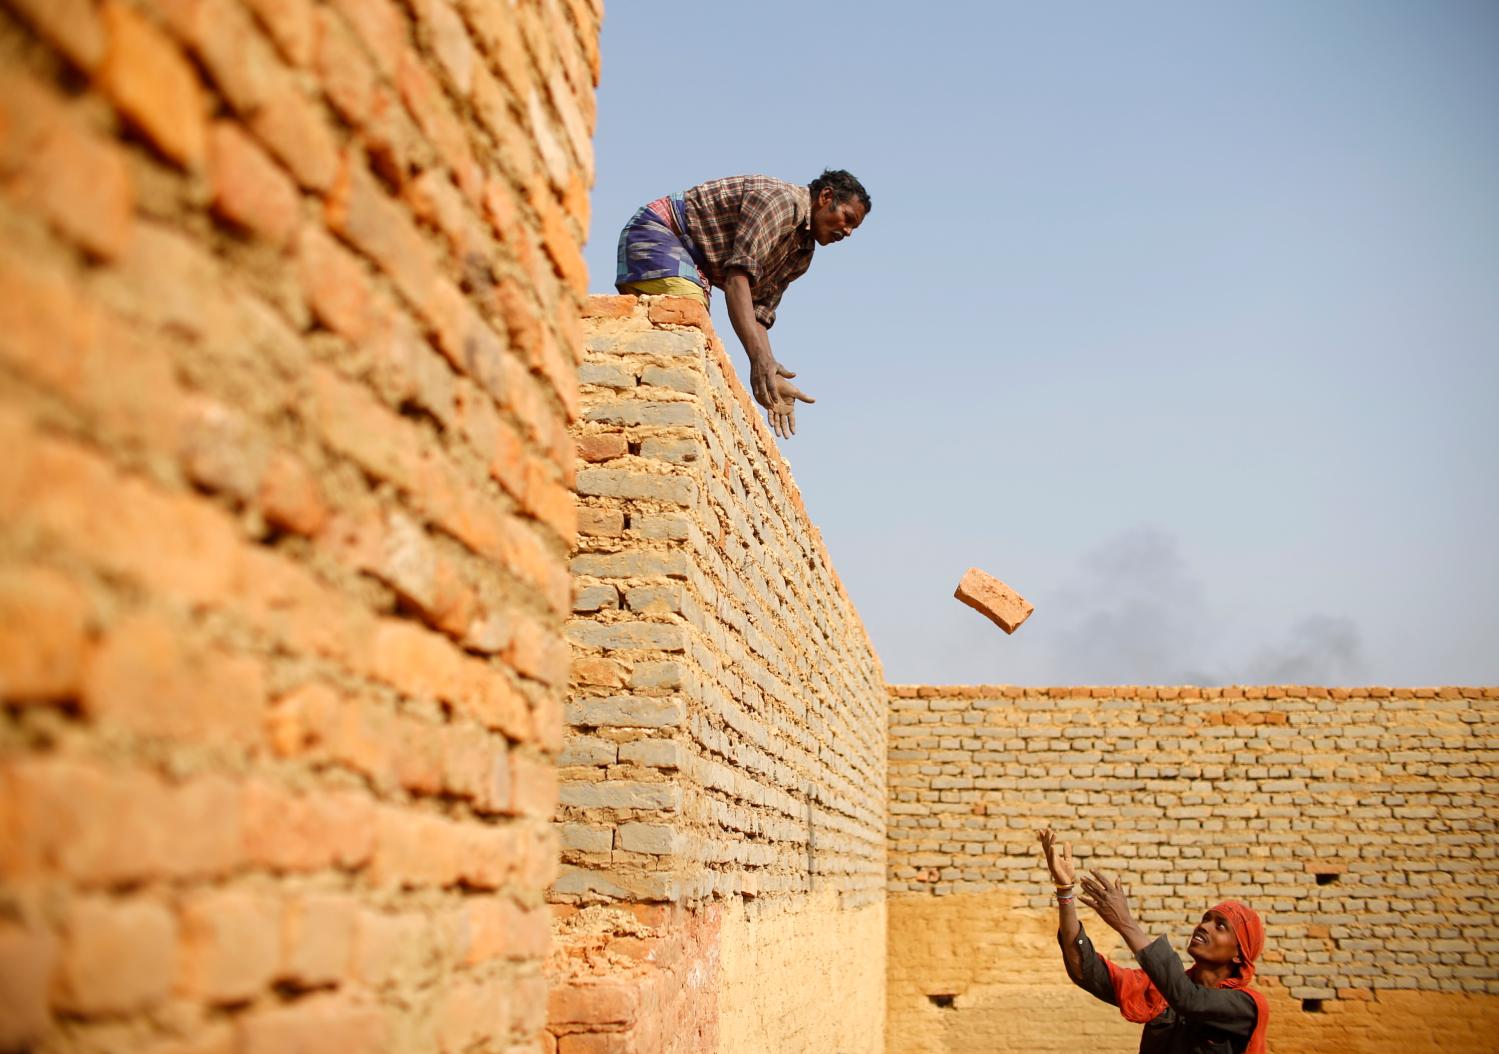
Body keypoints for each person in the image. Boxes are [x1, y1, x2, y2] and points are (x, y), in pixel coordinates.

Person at [615, 170, 871, 440]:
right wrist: (757, 358)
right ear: (826, 196)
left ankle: (636, 429)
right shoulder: (781, 203)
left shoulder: (802, 254)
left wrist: (768, 372)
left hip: (691, 263)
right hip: (660, 231)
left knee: (676, 341)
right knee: (688, 322)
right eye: (848, 219)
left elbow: (758, 311)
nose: (848, 231)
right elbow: (737, 279)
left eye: (854, 227)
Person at [1038, 829, 1270, 1054]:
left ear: (1239, 954)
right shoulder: (1159, 989)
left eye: (1220, 926)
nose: (1203, 926)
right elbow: (1083, 970)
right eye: (1205, 919)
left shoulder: (1247, 1007)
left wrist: (1125, 923)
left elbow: (1187, 999)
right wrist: (1065, 892)